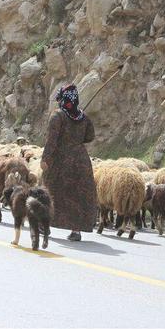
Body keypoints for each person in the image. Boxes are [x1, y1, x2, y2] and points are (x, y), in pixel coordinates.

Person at [41, 84, 96, 242]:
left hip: (61, 160)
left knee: (51, 191)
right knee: (77, 195)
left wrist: (45, 159)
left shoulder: (57, 116)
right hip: (81, 161)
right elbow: (90, 136)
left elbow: (51, 141)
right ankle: (76, 230)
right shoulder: (83, 117)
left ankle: (45, 225)